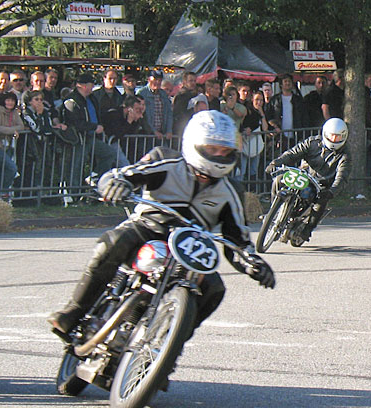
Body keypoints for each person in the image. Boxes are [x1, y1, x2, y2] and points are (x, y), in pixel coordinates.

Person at [48, 110, 275, 338]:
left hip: (190, 248)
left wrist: (253, 263)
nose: (218, 155)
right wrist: (114, 184)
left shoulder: (231, 191)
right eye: (211, 148)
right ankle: (74, 311)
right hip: (148, 228)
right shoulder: (165, 161)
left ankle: (168, 344)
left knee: (214, 289)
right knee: (113, 242)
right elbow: (122, 174)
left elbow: (237, 242)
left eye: (225, 150)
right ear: (194, 143)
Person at [265, 118, 351, 244]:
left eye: (337, 137)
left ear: (343, 137)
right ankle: (272, 211)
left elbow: (342, 177)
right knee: (279, 179)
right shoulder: (312, 142)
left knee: (321, 202)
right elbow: (293, 153)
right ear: (325, 133)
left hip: (321, 185)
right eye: (331, 136)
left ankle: (308, 229)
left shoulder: (345, 156)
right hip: (303, 175)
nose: (333, 139)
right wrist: (276, 162)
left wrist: (331, 191)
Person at [0, 92, 22, 193]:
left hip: (8, 145)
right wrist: (13, 130)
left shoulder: (14, 112)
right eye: (8, 100)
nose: (10, 103)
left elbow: (21, 126)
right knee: (12, 168)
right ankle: (1, 192)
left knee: (1, 171)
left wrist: (9, 130)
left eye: (12, 100)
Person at [137, 70, 173, 140]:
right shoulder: (142, 93)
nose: (158, 82)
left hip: (162, 133)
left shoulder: (163, 94)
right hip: (147, 134)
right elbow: (142, 116)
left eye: (160, 80)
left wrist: (169, 130)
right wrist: (153, 131)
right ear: (149, 79)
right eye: (155, 79)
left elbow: (169, 113)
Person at [172, 71, 198, 136]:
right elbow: (179, 113)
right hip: (181, 129)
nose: (193, 83)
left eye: (194, 81)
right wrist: (193, 111)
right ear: (184, 82)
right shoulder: (181, 96)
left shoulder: (195, 95)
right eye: (190, 81)